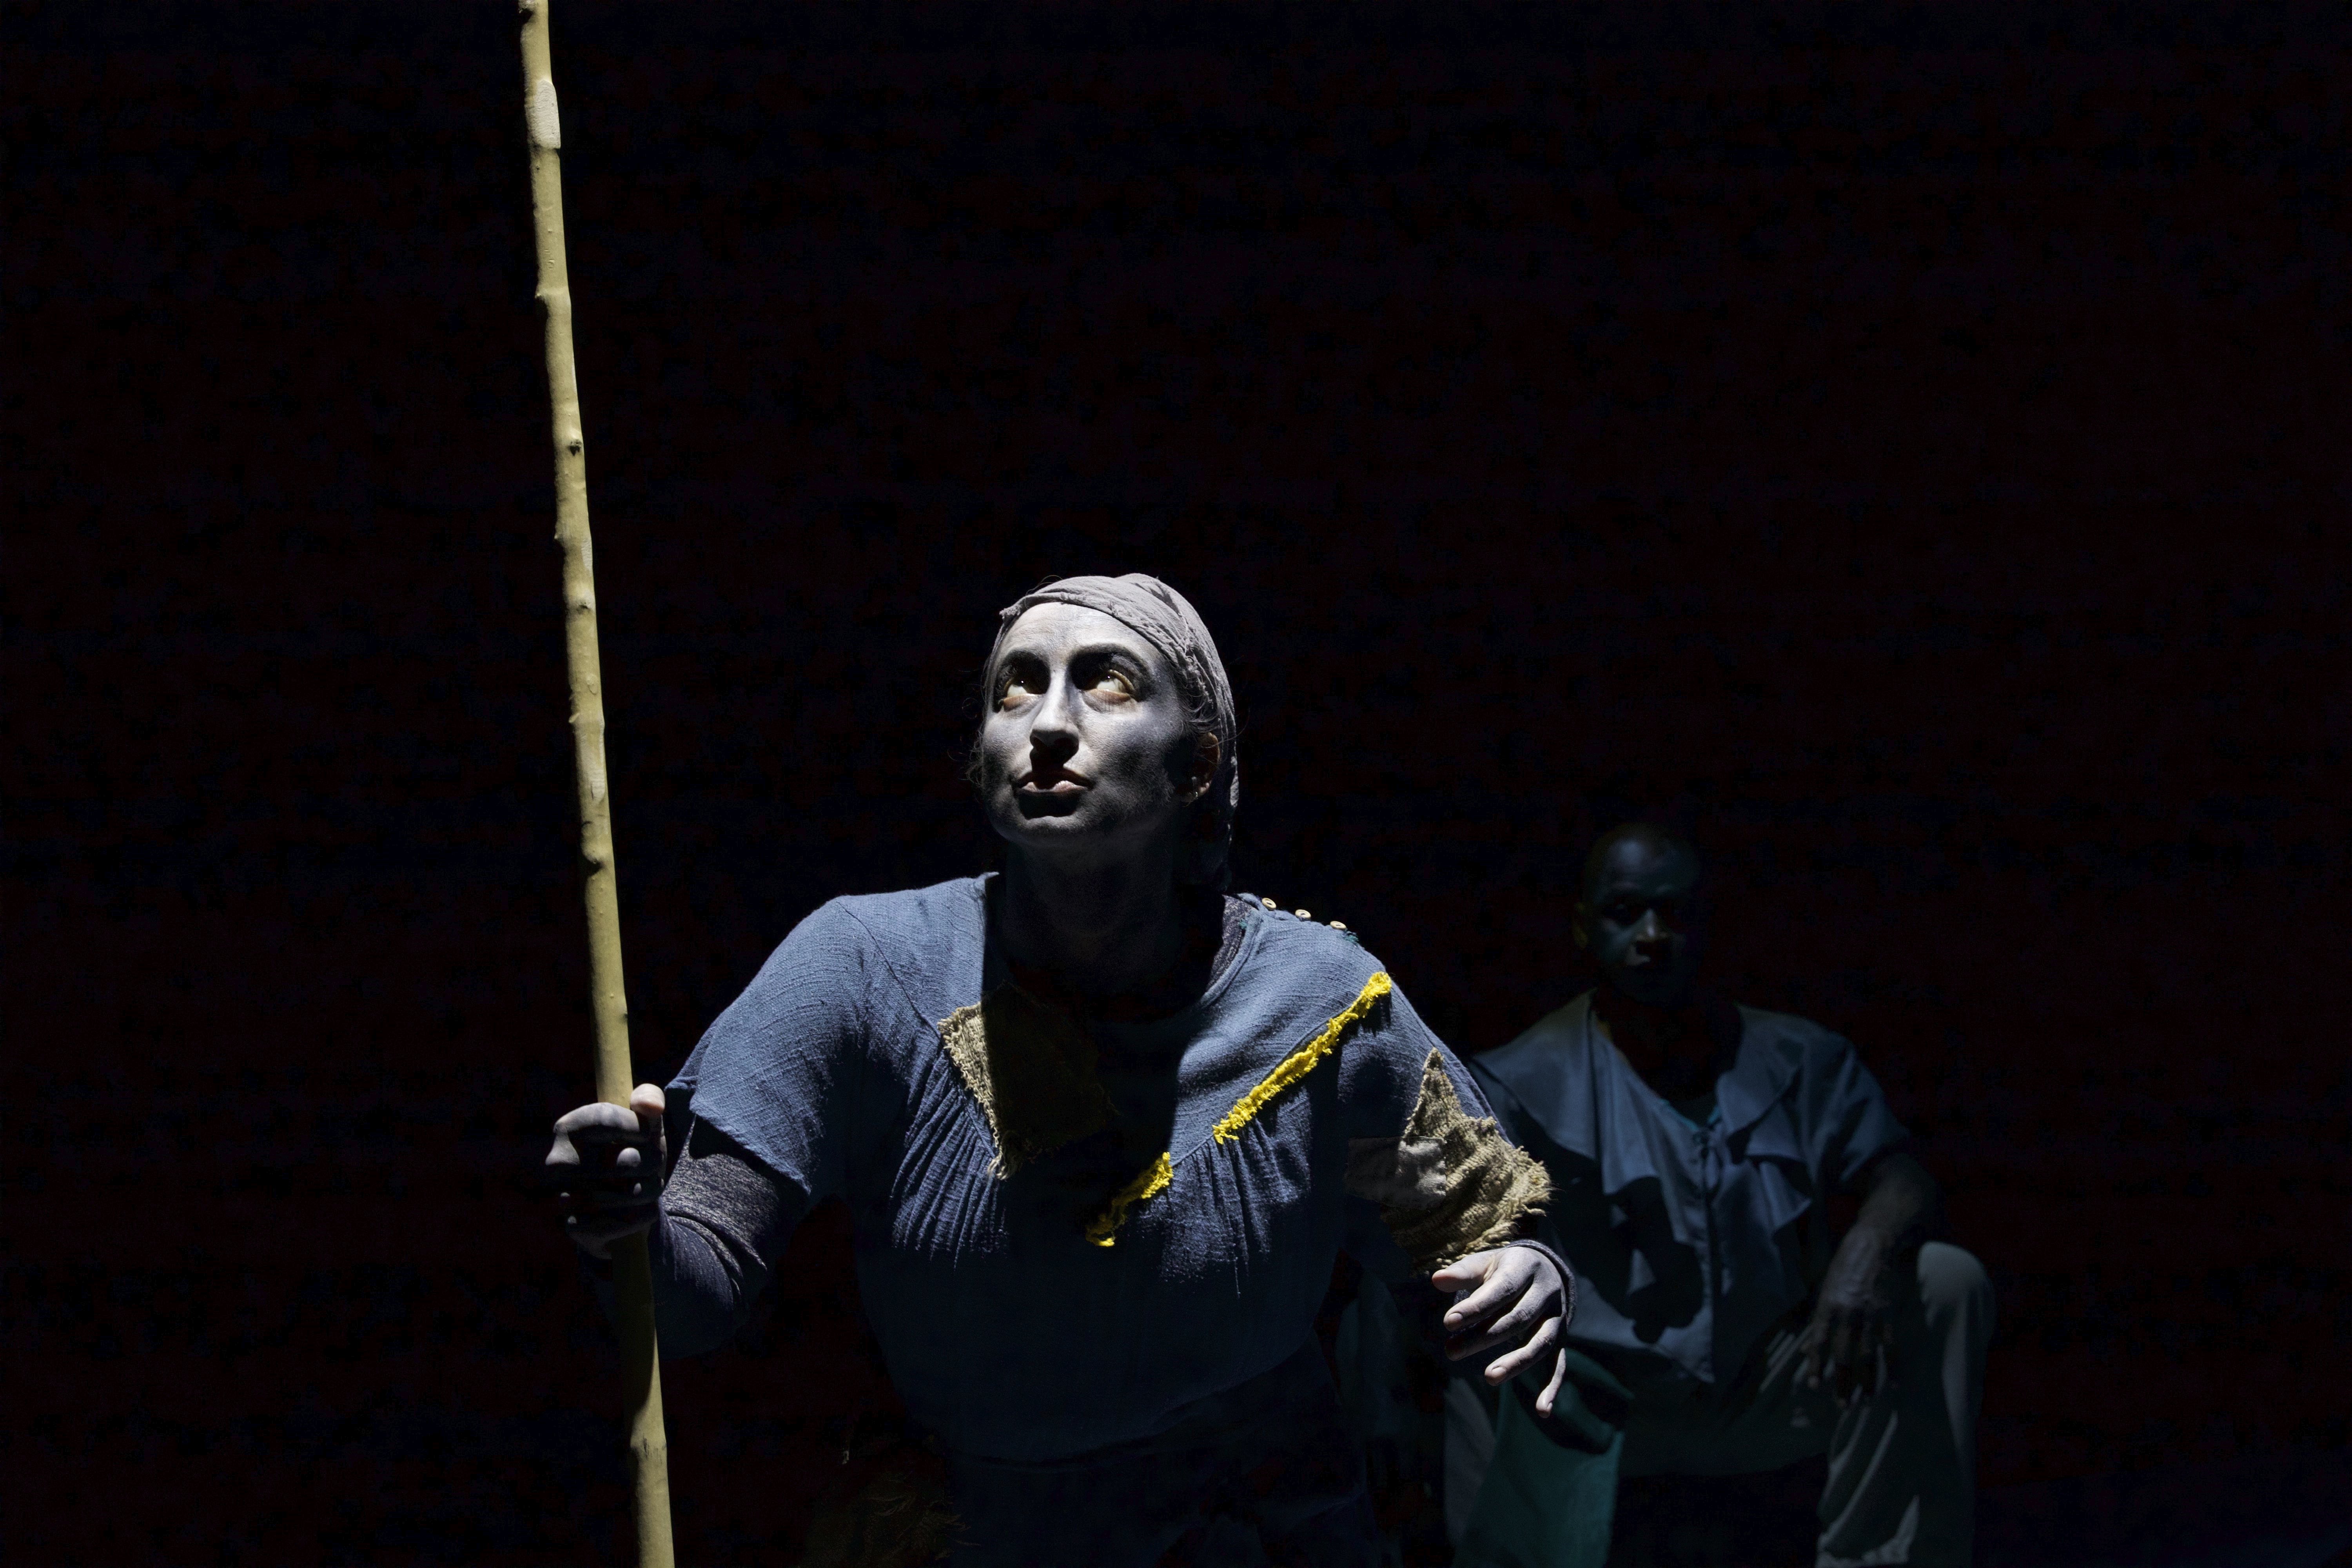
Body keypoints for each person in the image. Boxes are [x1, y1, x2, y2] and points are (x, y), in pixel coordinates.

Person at [544, 573, 1576, 1568]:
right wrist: (627, 1231)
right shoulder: (864, 968)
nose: (1046, 721)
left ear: (1199, 767)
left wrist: (1526, 1279)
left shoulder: (1324, 1004)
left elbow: (1479, 1251)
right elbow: (694, 1297)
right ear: (977, 760)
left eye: (1108, 681)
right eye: (1015, 688)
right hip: (986, 1533)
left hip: (1256, 1529)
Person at [1452, 820, 1995, 1568]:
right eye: (1625, 913)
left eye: (1674, 914)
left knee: (1944, 1282)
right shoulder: (1515, 1079)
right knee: (1462, 1319)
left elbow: (1901, 1172)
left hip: (1767, 1383)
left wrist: (1865, 1249)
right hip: (1595, 1402)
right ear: (1583, 928)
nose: (1651, 936)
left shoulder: (1797, 1058)